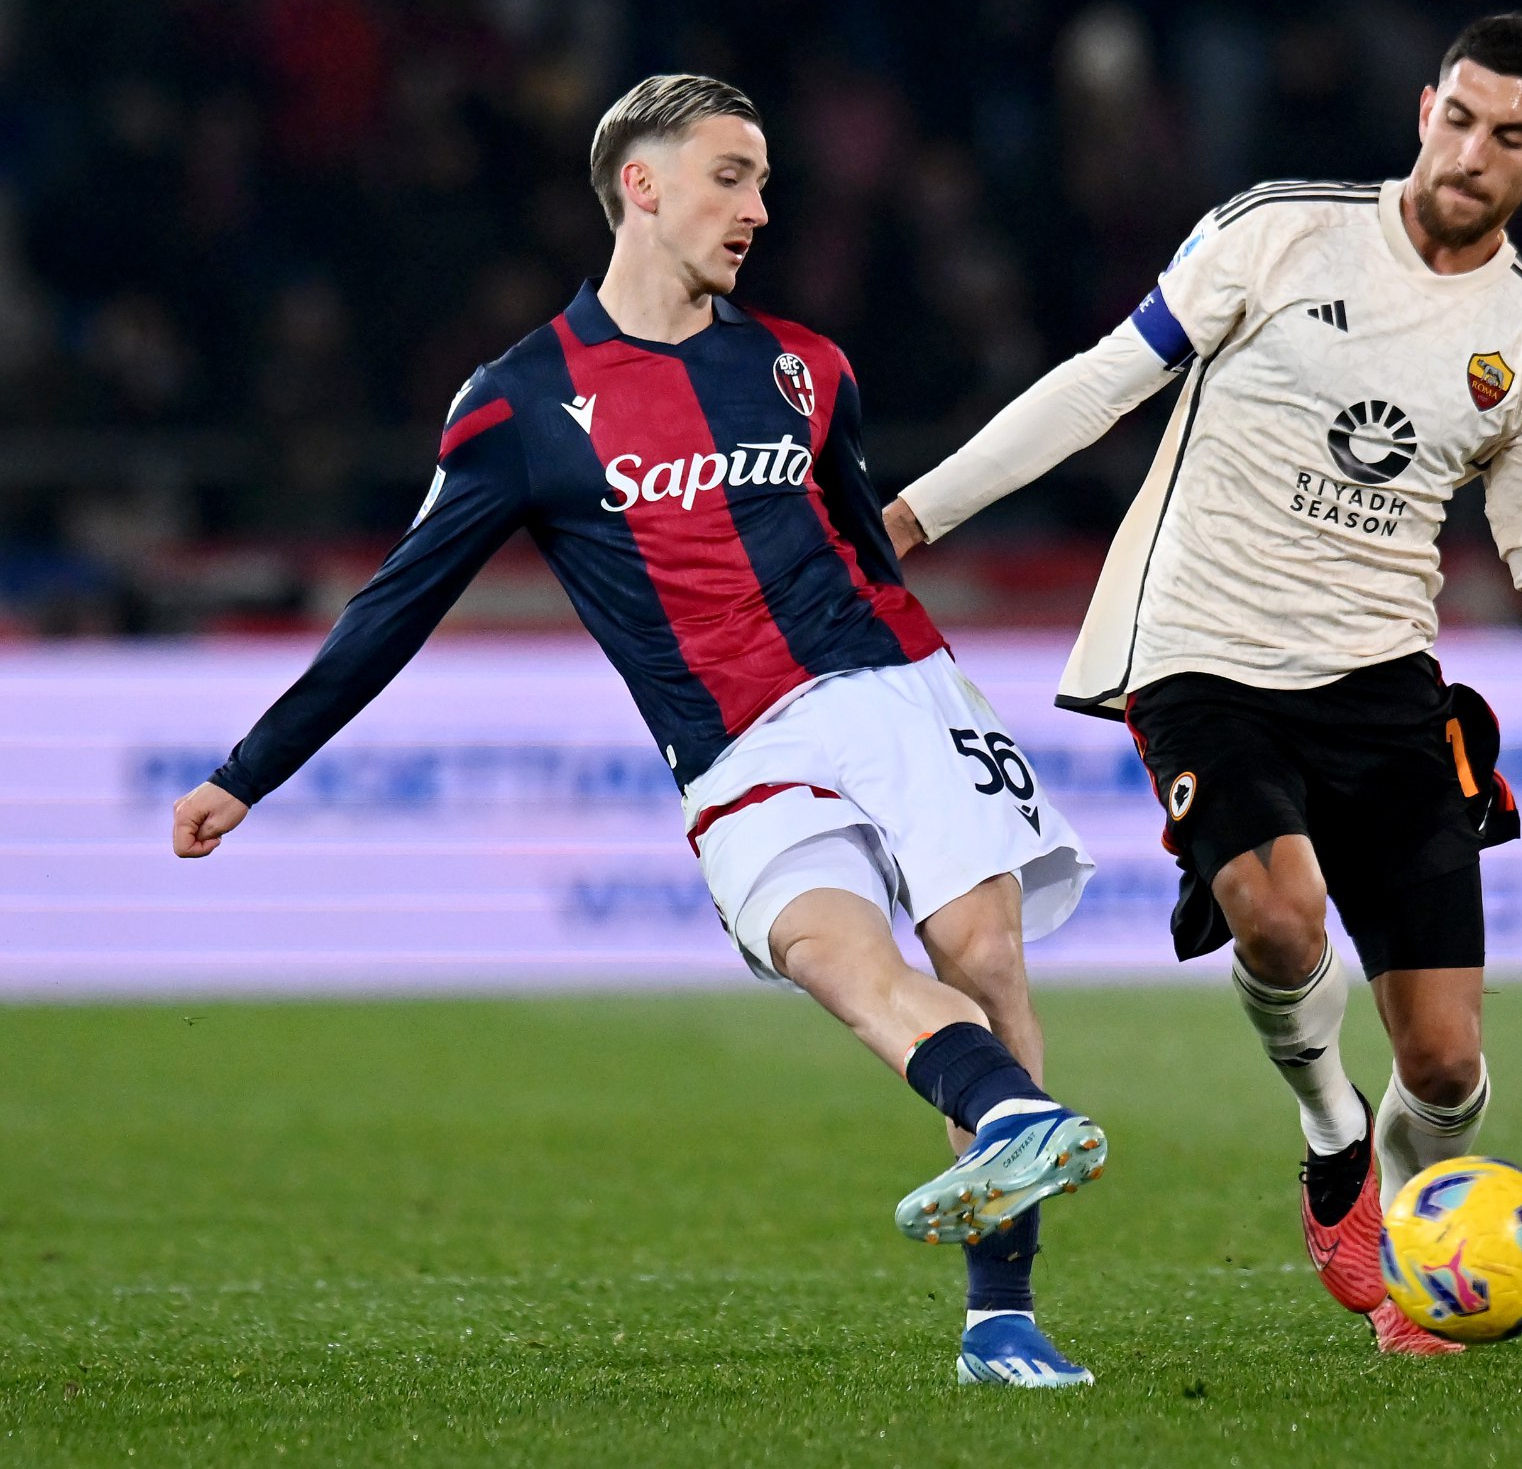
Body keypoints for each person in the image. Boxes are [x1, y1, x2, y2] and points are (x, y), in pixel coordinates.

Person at [169, 75, 1107, 1386]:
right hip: (734, 753)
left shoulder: (804, 366)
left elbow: (866, 526)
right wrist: (247, 770)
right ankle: (1007, 1110)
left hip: (892, 686)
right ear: (641, 184)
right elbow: (398, 602)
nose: (758, 208)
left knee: (983, 958)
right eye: (732, 175)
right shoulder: (518, 405)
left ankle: (999, 1314)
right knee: (843, 963)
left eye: (768, 181)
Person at [885, 13, 1522, 1354]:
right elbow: (1105, 381)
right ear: (1422, 108)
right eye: (1458, 118)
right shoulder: (1278, 231)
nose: (1471, 153)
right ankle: (1332, 1131)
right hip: (1203, 650)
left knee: (1447, 1063)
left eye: (1510, 136)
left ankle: (1404, 1260)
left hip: (1386, 678)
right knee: (1278, 918)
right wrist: (922, 511)